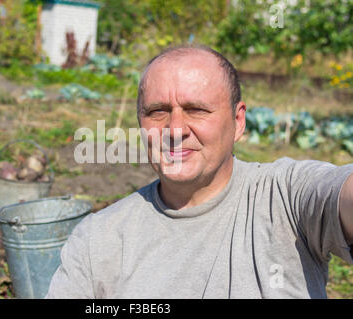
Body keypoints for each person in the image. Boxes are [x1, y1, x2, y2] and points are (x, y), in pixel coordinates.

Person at [45, 45, 353, 299]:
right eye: (157, 112)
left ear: (238, 121)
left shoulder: (285, 198)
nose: (175, 129)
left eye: (197, 110)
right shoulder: (98, 239)